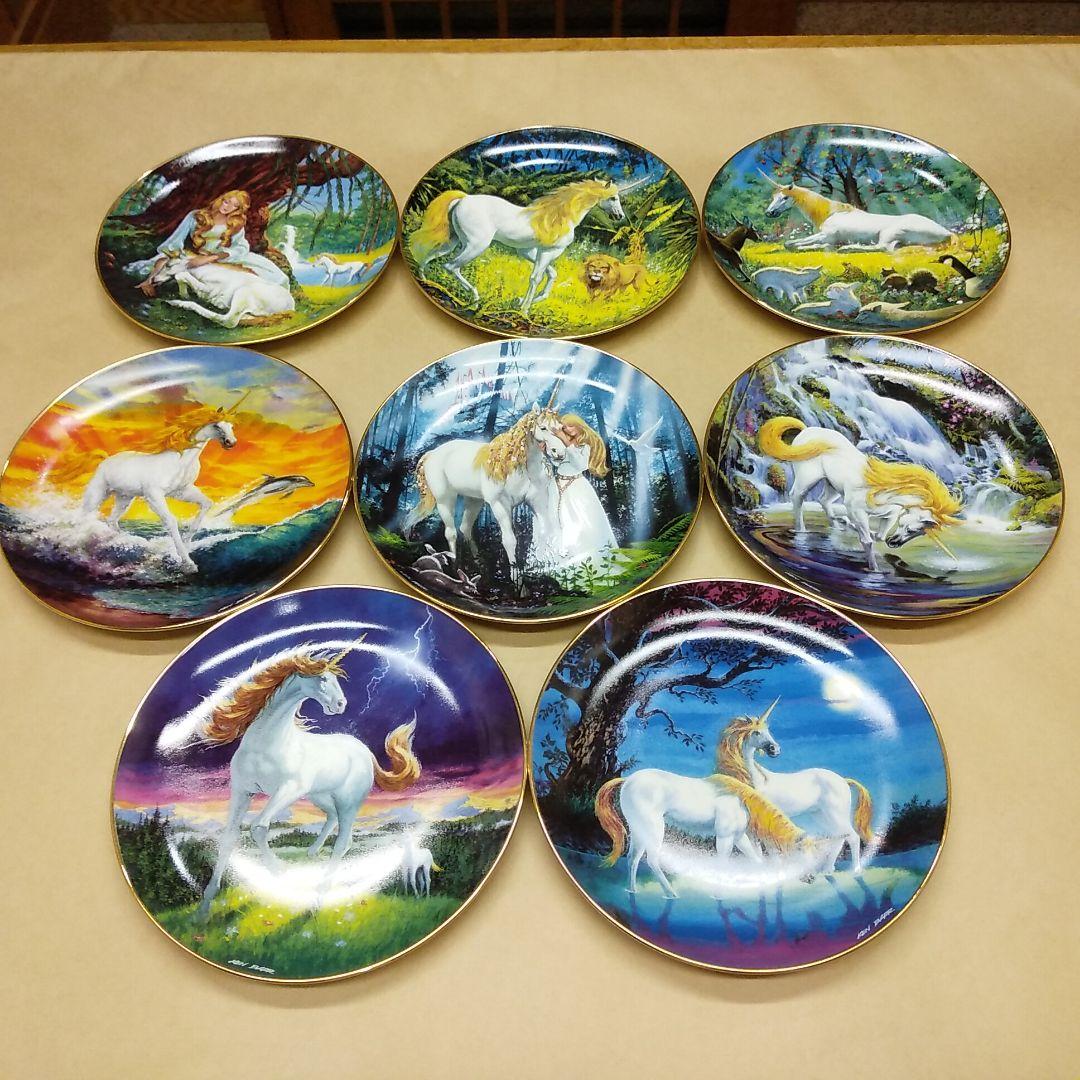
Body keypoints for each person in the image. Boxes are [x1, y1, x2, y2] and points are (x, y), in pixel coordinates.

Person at [129, 190, 289, 296]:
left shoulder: (235, 224)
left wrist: (212, 258)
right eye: (227, 202)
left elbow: (241, 248)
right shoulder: (196, 216)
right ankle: (150, 283)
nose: (228, 208)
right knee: (166, 266)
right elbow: (174, 243)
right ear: (221, 200)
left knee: (277, 277)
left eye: (235, 206)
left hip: (225, 258)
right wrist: (171, 258)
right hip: (197, 256)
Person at [530, 413, 616, 569]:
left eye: (570, 426)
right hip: (556, 485)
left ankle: (586, 560)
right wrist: (545, 453)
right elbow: (558, 463)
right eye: (564, 427)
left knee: (578, 521)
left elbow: (580, 465)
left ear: (579, 427)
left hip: (576, 487)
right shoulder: (563, 443)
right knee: (554, 519)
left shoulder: (584, 446)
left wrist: (564, 439)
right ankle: (558, 557)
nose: (566, 429)